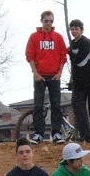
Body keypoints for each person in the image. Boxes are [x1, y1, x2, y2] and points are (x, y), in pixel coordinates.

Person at [25, 10, 68, 145]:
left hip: (54, 75)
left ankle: (56, 133)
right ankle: (39, 133)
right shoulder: (34, 37)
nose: (48, 23)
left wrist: (59, 72)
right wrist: (35, 73)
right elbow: (29, 55)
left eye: (51, 21)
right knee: (38, 105)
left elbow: (63, 56)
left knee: (56, 105)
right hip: (40, 76)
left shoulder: (58, 37)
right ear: (41, 21)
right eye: (46, 21)